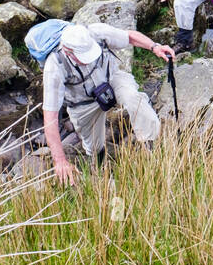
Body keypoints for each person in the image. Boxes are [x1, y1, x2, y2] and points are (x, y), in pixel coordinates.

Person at [42, 23, 173, 186]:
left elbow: (129, 36)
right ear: (68, 52)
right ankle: (99, 170)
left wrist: (155, 47)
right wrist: (60, 160)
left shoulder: (97, 33)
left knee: (134, 98)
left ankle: (153, 146)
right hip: (82, 102)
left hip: (112, 79)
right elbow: (50, 118)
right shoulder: (54, 67)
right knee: (93, 146)